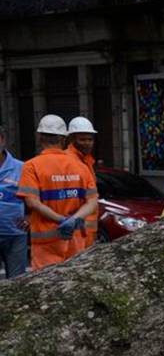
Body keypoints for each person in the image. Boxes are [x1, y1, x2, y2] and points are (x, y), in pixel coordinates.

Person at [16, 115, 97, 270]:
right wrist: (73, 220)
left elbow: (32, 202)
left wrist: (61, 220)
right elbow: (92, 202)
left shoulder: (31, 166)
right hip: (75, 239)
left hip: (46, 244)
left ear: (40, 138)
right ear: (64, 139)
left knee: (47, 288)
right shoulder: (81, 165)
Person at [65, 116, 98, 245]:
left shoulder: (86, 160)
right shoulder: (69, 160)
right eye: (82, 139)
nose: (87, 143)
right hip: (77, 229)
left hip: (87, 231)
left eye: (90, 139)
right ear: (72, 139)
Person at [0, 124, 27, 279]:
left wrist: (30, 218)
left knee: (18, 283)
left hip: (15, 236)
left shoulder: (22, 168)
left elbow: (34, 199)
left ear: (2, 139)